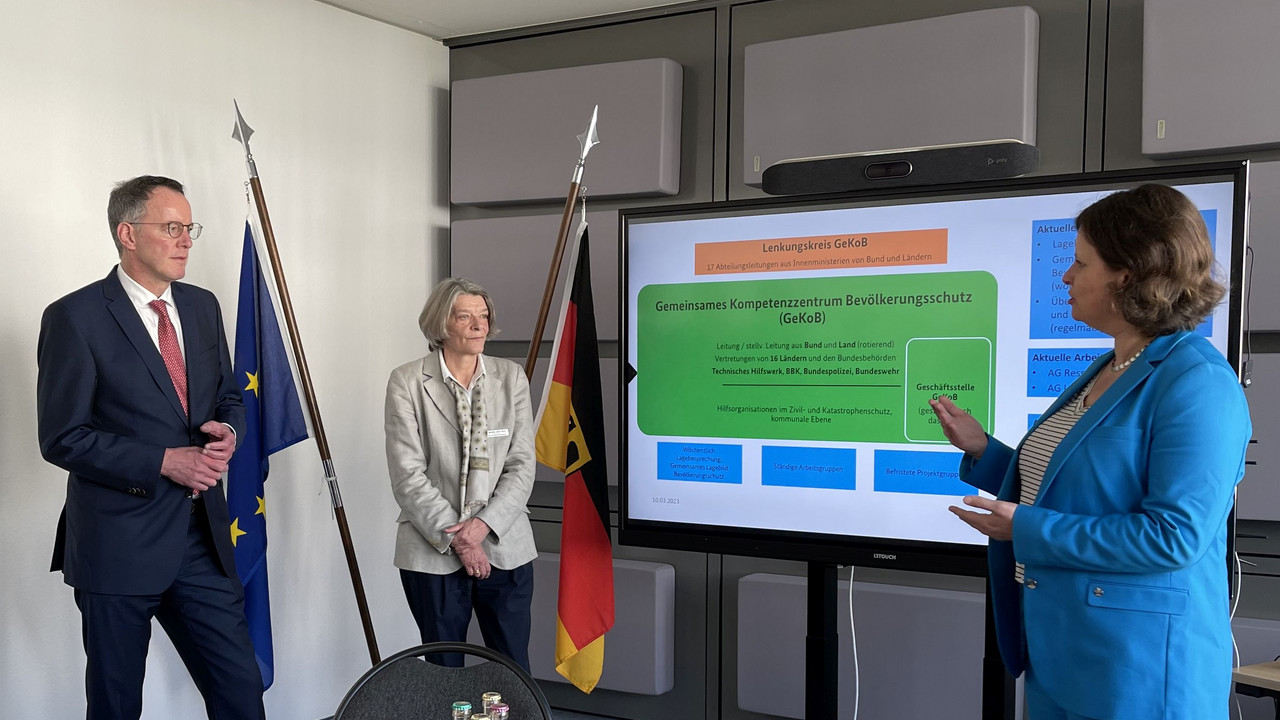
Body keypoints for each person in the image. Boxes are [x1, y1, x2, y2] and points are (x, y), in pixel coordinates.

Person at [930, 184, 1250, 720]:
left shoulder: (1198, 383)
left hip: (1138, 672)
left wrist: (1025, 529)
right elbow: (1077, 487)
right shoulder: (1108, 368)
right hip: (1066, 652)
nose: (1066, 277)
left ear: (1128, 274)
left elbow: (1174, 537)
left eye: (1081, 263)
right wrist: (985, 451)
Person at [36, 176, 264, 720]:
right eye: (172, 227)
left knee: (241, 692)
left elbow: (229, 396)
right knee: (116, 706)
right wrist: (164, 461)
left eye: (190, 228)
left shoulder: (203, 307)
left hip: (202, 542)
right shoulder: (75, 317)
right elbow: (62, 437)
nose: (186, 240)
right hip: (117, 546)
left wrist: (228, 433)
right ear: (128, 234)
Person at [384, 277, 537, 671]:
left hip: (506, 545)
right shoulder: (407, 382)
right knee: (444, 670)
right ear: (441, 324)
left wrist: (484, 525)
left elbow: (522, 463)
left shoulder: (511, 378)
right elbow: (408, 475)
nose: (479, 325)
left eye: (484, 316)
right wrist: (462, 541)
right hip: (433, 551)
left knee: (512, 668)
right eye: (466, 316)